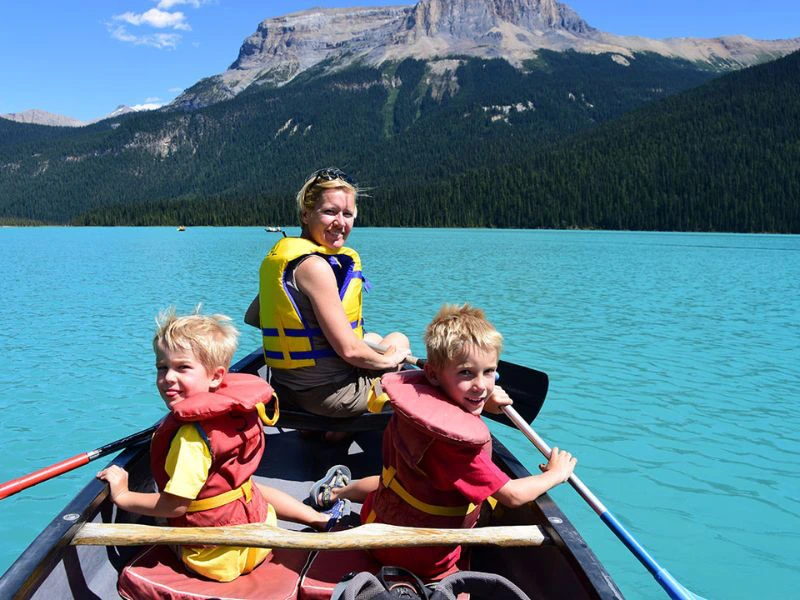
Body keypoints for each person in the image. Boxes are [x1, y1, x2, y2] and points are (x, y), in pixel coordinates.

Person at [308, 304, 577, 578]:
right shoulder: (457, 444)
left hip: (376, 523)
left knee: (391, 482)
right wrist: (556, 474)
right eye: (466, 373)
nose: (482, 385)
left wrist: (482, 402)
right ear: (434, 374)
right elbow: (512, 495)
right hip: (422, 559)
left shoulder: (412, 404)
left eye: (489, 372)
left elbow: (458, 396)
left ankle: (335, 492)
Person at [97, 308, 335, 583]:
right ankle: (318, 519)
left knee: (162, 516)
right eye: (162, 367)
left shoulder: (191, 438)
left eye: (182, 367)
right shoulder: (237, 409)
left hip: (215, 558)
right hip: (259, 537)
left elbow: (174, 507)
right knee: (245, 487)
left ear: (215, 376)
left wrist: (123, 495)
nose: (168, 378)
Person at [244, 167, 410, 425]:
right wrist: (392, 360)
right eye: (330, 212)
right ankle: (341, 429)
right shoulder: (315, 267)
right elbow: (349, 351)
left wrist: (315, 332)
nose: (340, 223)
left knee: (374, 338)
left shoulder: (284, 260)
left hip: (286, 390)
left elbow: (253, 317)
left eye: (347, 214)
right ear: (306, 214)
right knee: (398, 341)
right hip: (330, 396)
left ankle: (329, 431)